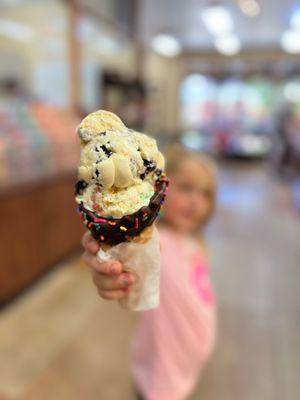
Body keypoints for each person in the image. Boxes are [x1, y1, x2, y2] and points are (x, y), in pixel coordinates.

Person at [82, 144, 217, 400]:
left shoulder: (193, 240)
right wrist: (103, 243)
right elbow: (122, 242)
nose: (196, 201)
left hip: (187, 367)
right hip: (161, 377)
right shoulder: (157, 242)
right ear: (158, 189)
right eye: (186, 187)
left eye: (206, 193)